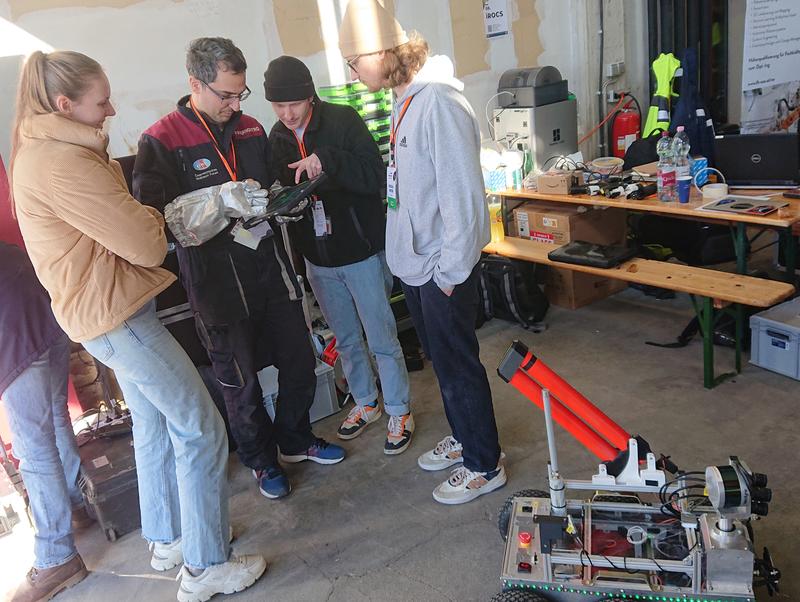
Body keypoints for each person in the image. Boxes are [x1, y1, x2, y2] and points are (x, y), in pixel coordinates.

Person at [10, 50, 265, 601]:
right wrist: (168, 216)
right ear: (64, 104)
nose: (110, 109)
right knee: (200, 428)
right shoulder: (63, 163)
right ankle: (205, 567)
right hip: (117, 315)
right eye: (101, 101)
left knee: (152, 423)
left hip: (106, 308)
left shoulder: (51, 149)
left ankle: (170, 538)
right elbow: (147, 244)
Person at [133, 38, 345, 501]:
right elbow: (155, 223)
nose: (234, 105)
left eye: (240, 94)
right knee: (240, 382)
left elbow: (269, 186)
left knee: (299, 360)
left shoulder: (250, 129)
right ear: (195, 83)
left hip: (269, 268)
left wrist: (283, 203)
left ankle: (295, 439)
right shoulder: (162, 140)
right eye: (225, 95)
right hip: (216, 285)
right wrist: (217, 204)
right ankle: (261, 460)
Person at [338, 0, 507, 504]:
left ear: (385, 52)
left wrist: (451, 271)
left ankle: (484, 463)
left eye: (354, 60)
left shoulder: (439, 103)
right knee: (442, 361)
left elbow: (464, 196)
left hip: (441, 268)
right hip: (418, 266)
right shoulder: (402, 98)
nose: (350, 71)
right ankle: (466, 437)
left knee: (459, 364)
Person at [263, 55, 414, 454]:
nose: (287, 114)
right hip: (317, 258)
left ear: (310, 96)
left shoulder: (343, 119)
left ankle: (399, 408)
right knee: (345, 339)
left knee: (381, 336)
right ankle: (366, 403)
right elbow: (277, 187)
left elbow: (374, 175)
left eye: (294, 104)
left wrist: (327, 161)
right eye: (278, 107)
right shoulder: (276, 137)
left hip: (361, 251)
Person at [0, 241, 90, 602]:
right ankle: (75, 506)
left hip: (13, 329)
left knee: (32, 448)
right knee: (54, 416)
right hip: (43, 310)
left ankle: (57, 556)